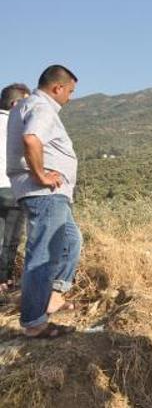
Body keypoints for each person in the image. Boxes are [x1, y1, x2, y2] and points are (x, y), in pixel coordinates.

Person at [7, 66, 80, 338]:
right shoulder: (41, 107)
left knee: (72, 241)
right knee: (43, 255)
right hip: (44, 194)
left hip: (49, 195)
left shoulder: (26, 105)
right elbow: (31, 139)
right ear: (57, 88)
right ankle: (34, 323)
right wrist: (41, 175)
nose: (70, 98)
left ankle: (52, 297)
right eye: (70, 91)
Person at [0, 83, 30, 292]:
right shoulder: (16, 123)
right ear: (16, 103)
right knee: (9, 239)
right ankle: (3, 282)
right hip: (9, 188)